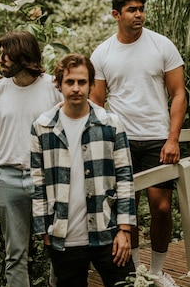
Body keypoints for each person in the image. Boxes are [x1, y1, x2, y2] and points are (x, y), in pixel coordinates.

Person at [90, 0, 187, 287]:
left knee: (161, 207)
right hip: (120, 141)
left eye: (141, 9)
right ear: (116, 15)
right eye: (132, 10)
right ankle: (134, 272)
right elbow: (96, 102)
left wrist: (172, 139)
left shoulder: (162, 45)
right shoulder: (102, 53)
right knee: (125, 209)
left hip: (157, 138)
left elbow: (179, 93)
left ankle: (157, 270)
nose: (139, 14)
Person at [30, 53, 136, 287]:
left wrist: (125, 229)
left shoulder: (111, 123)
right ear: (59, 84)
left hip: (107, 231)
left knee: (128, 284)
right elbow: (37, 182)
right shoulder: (42, 127)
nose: (76, 88)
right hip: (64, 236)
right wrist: (43, 230)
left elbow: (125, 178)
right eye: (69, 82)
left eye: (82, 82)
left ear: (91, 85)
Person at [0, 30, 63, 287]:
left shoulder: (54, 88)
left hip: (48, 177)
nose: (1, 59)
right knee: (15, 254)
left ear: (24, 57)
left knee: (59, 247)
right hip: (7, 177)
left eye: (7, 54)